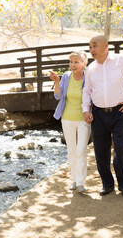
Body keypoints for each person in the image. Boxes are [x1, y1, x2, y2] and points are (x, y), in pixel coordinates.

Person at [82, 35, 123, 198]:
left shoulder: (121, 60)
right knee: (100, 151)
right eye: (90, 47)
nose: (92, 50)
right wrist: (86, 110)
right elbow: (87, 91)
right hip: (98, 115)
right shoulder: (90, 68)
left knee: (120, 147)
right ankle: (107, 184)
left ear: (105, 46)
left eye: (94, 45)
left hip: (120, 113)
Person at [49, 50, 91, 193]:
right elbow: (57, 96)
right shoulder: (66, 77)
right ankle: (74, 180)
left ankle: (81, 183)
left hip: (83, 120)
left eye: (76, 62)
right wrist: (57, 82)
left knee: (81, 151)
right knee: (71, 150)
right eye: (71, 61)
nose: (72, 64)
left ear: (84, 64)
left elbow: (93, 96)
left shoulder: (88, 77)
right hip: (67, 118)